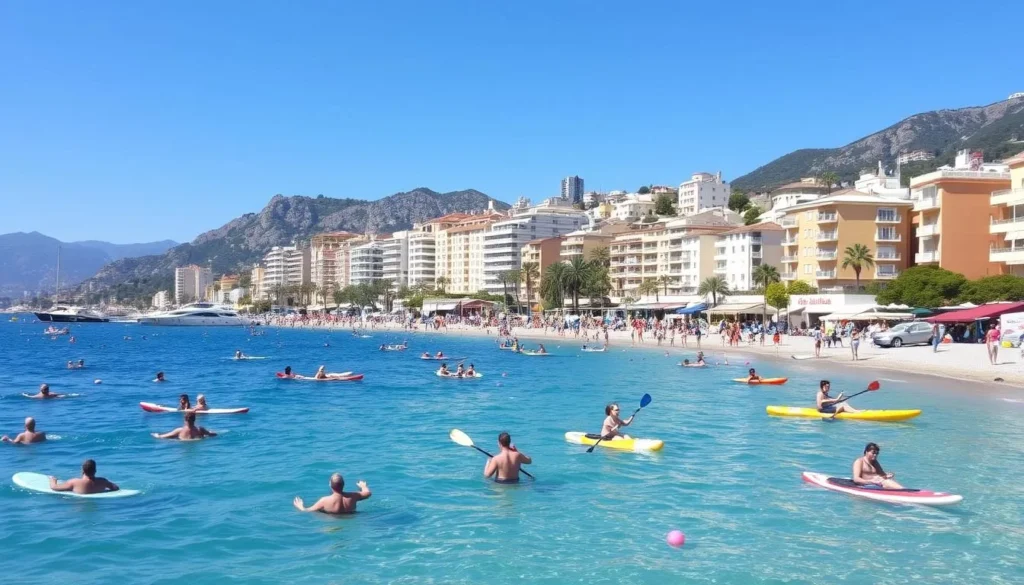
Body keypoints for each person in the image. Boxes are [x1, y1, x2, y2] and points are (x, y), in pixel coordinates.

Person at [293, 473, 371, 514]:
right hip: (351, 517)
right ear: (344, 484)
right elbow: (368, 493)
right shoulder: (353, 496)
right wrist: (363, 486)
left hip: (333, 523)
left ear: (330, 485)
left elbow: (307, 510)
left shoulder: (324, 501)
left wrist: (301, 506)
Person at [49, 459, 119, 495]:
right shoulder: (103, 481)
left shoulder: (74, 482)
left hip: (80, 507)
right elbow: (116, 487)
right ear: (95, 471)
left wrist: (53, 480)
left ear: (83, 471)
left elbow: (54, 487)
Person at [151, 411, 217, 440]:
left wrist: (157, 435)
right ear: (195, 419)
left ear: (185, 419)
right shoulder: (200, 429)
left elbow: (163, 437)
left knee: (173, 438)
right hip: (197, 444)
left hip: (183, 443)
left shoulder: (179, 430)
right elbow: (213, 434)